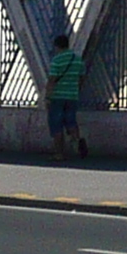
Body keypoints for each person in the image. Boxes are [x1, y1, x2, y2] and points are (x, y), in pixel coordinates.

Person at [43, 31, 87, 159]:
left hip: (57, 97)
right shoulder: (78, 60)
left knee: (56, 125)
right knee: (71, 121)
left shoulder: (57, 61)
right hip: (72, 96)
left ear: (57, 46)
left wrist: (47, 97)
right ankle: (77, 142)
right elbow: (81, 78)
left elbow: (52, 80)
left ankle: (59, 153)